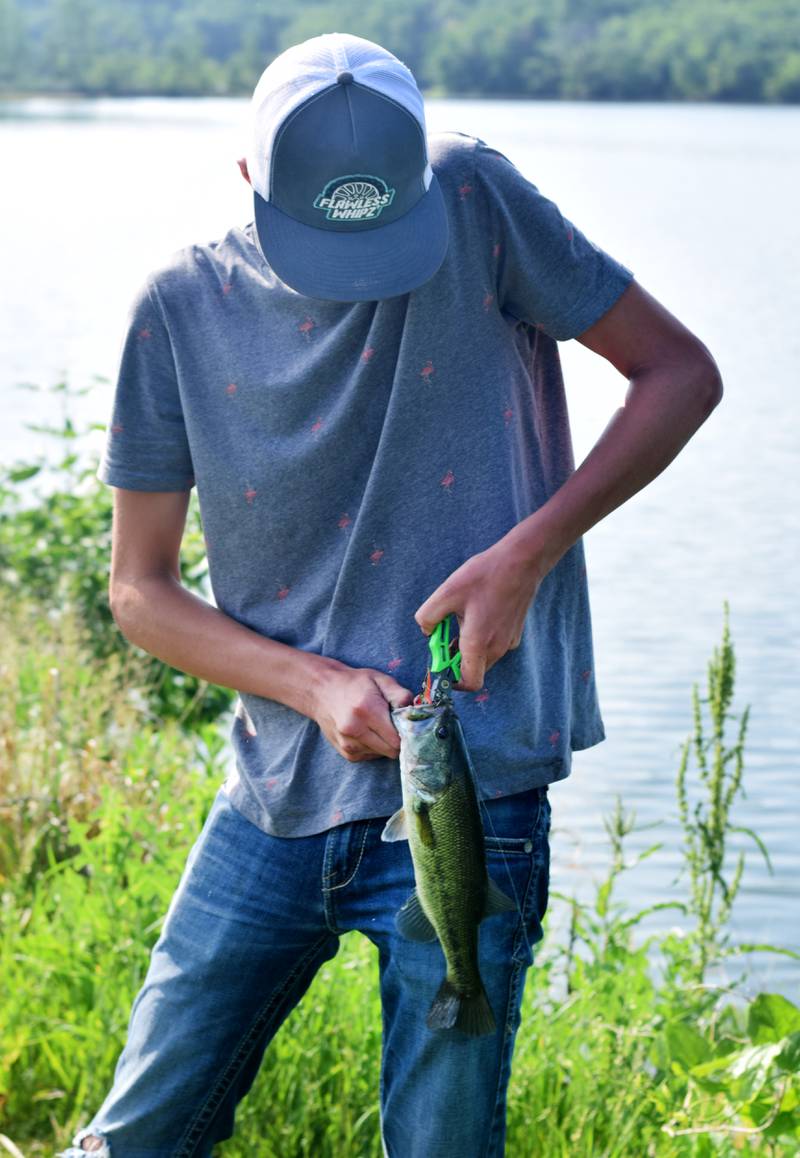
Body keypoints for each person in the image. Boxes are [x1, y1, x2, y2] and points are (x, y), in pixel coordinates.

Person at [60, 30, 723, 1158]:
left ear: (421, 181)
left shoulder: (473, 195)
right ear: (247, 183)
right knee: (138, 1134)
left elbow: (679, 373)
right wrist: (315, 687)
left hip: (480, 789)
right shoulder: (175, 308)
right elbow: (140, 593)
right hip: (272, 790)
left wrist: (529, 552)